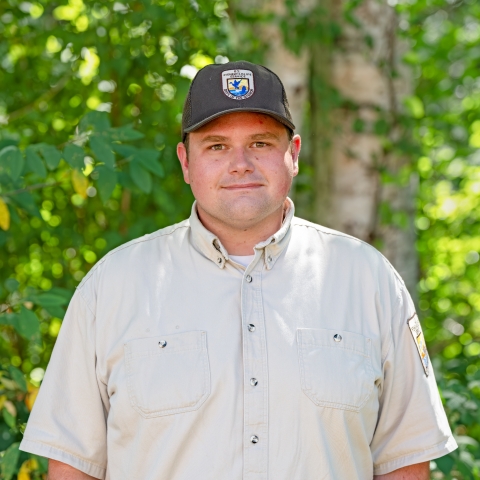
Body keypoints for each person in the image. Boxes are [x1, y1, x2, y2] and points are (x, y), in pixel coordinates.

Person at [20, 61, 457, 479]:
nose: (240, 163)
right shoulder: (112, 286)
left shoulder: (367, 280)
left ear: (294, 153)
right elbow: (73, 464)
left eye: (261, 143)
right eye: (216, 146)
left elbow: (404, 459)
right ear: (185, 162)